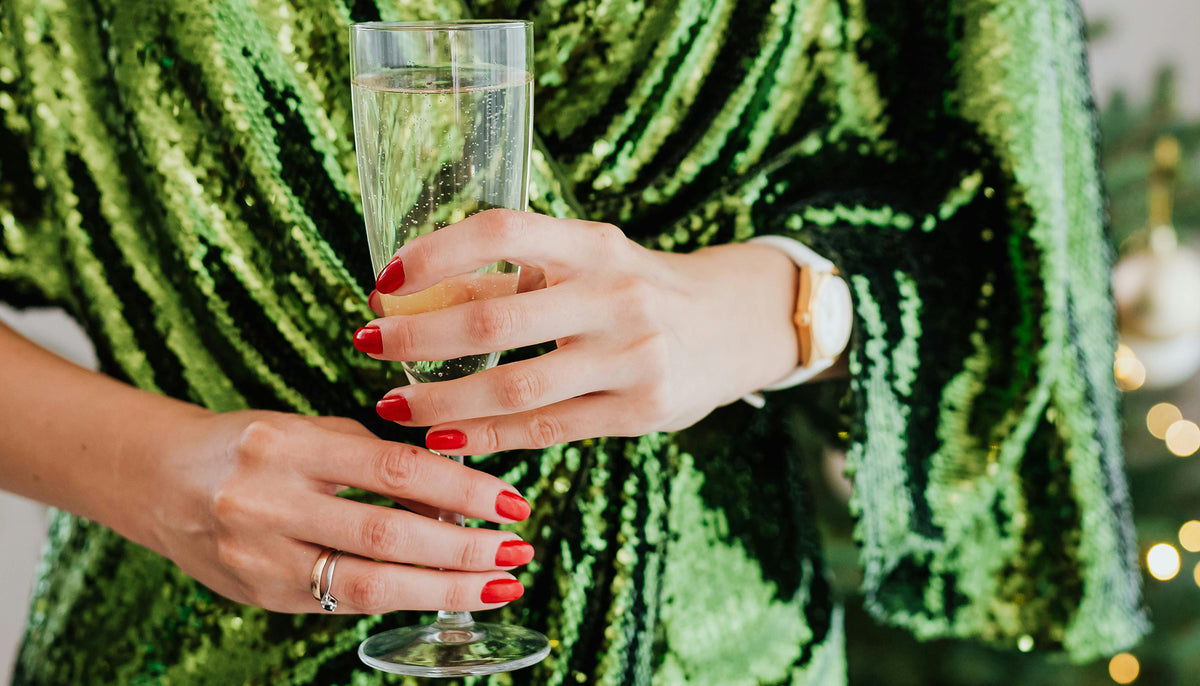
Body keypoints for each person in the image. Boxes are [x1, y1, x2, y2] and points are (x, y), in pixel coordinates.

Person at [0, 0, 1146, 684]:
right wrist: (155, 470)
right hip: (197, 639)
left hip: (709, 643)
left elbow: (1007, 208)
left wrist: (773, 306)